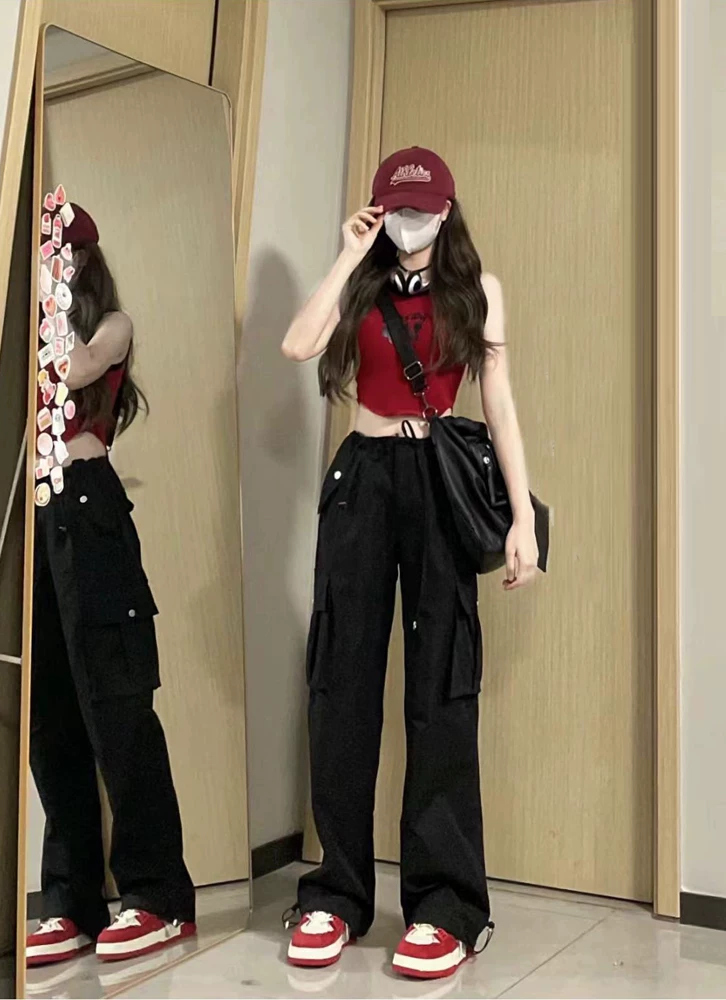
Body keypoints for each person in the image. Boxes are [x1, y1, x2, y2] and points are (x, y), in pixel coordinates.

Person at [281, 148, 538, 980]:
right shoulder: (361, 282)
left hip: (438, 483)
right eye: (395, 209)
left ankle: (445, 907)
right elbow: (297, 344)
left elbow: (498, 403)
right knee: (341, 685)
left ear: (447, 211)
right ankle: (335, 895)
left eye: (421, 211)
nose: (409, 223)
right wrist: (349, 253)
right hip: (361, 479)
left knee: (440, 690)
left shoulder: (477, 290)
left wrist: (522, 517)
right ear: (378, 210)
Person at [26, 205, 196, 967]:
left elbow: (77, 369)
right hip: (33, 515)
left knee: (119, 714)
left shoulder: (111, 326)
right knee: (49, 720)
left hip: (88, 508)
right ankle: (69, 902)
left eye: (59, 256)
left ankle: (158, 897)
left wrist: (46, 306)